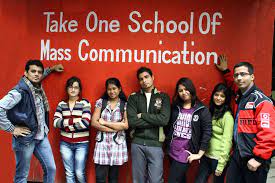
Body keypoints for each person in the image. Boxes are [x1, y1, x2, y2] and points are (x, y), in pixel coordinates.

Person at [0, 59, 64, 183]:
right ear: (25, 73)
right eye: (33, 71)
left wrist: (51, 69)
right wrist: (12, 129)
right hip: (25, 139)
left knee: (51, 168)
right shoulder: (19, 91)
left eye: (39, 72)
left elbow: (40, 75)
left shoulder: (36, 87)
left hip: (41, 136)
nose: (37, 74)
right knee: (22, 176)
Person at [216, 55, 275, 183]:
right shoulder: (240, 95)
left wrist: (259, 159)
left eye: (243, 74)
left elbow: (269, 133)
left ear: (252, 77)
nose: (239, 78)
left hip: (254, 159)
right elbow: (233, 85)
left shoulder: (261, 101)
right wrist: (226, 71)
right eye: (236, 75)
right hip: (238, 155)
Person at [127, 67, 170, 183]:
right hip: (137, 143)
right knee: (138, 180)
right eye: (141, 79)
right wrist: (154, 121)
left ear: (152, 77)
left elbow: (164, 120)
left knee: (155, 181)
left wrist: (143, 115)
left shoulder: (163, 97)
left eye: (146, 77)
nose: (144, 81)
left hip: (156, 144)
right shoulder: (133, 97)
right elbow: (132, 121)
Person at [166, 77, 212, 183]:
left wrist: (200, 154)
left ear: (191, 89)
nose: (183, 92)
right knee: (181, 180)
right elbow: (168, 126)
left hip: (185, 153)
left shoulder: (201, 110)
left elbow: (207, 132)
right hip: (172, 150)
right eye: (180, 90)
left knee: (172, 180)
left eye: (186, 89)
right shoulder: (175, 107)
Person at [53, 76, 91, 183]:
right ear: (67, 89)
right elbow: (55, 122)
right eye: (70, 87)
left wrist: (65, 124)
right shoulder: (62, 104)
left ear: (79, 90)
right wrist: (74, 122)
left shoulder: (85, 103)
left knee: (79, 173)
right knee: (69, 173)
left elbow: (85, 123)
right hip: (65, 143)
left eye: (76, 87)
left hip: (82, 143)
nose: (73, 90)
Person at [91, 77, 128, 183]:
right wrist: (113, 129)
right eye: (109, 89)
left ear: (119, 89)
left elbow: (125, 125)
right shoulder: (101, 102)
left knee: (113, 179)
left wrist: (105, 123)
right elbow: (94, 122)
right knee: (100, 178)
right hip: (102, 145)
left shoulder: (124, 104)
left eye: (114, 88)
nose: (112, 91)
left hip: (117, 145)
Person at [195, 83, 234, 183]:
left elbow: (227, 140)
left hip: (218, 158)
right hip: (206, 155)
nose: (218, 98)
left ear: (226, 98)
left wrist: (221, 164)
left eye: (222, 96)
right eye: (216, 95)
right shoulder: (210, 111)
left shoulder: (227, 116)